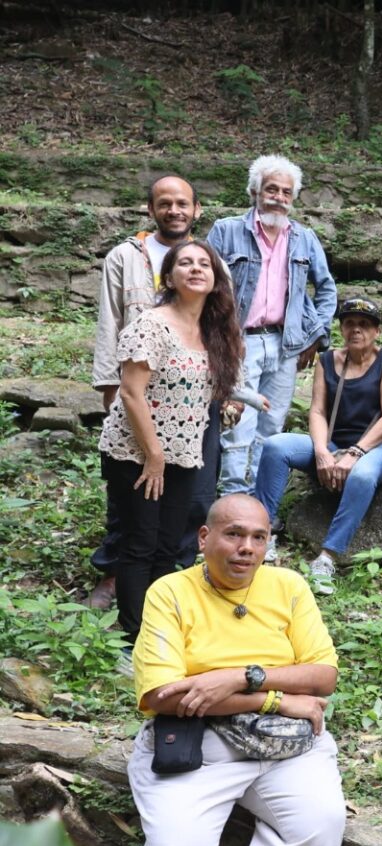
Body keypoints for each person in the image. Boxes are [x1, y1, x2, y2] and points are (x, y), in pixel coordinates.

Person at [129, 494, 344, 846]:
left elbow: (323, 677)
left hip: (286, 746)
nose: (247, 547)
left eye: (259, 537)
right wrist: (276, 700)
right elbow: (163, 696)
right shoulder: (171, 592)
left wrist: (241, 677)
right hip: (199, 746)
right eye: (234, 534)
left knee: (320, 825)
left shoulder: (289, 586)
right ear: (204, 538)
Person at [98, 240, 244, 664]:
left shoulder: (214, 331)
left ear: (215, 278)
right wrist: (154, 455)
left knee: (168, 546)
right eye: (185, 263)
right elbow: (131, 392)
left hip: (182, 455)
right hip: (136, 454)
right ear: (170, 276)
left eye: (204, 264)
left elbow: (204, 390)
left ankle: (158, 632)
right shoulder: (152, 324)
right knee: (140, 544)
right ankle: (132, 642)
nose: (195, 269)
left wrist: (243, 400)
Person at [90, 175, 214, 611]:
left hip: (184, 435)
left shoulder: (210, 322)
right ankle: (129, 619)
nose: (174, 210)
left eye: (183, 203)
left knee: (170, 533)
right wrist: (112, 389)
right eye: (165, 203)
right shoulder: (130, 268)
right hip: (140, 426)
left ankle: (161, 619)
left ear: (197, 209)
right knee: (138, 534)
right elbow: (110, 327)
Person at [253, 297, 382, 595]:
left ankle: (328, 557)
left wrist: (355, 453)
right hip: (333, 441)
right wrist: (322, 452)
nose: (356, 329)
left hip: (379, 446)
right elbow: (318, 410)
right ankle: (262, 531)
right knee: (275, 446)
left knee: (362, 475)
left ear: (376, 331)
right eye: (350, 323)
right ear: (341, 329)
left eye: (364, 324)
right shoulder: (327, 360)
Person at [209, 155, 338, 495]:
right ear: (254, 191)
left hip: (285, 344)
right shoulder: (226, 230)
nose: (279, 197)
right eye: (271, 189)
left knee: (271, 428)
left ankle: (259, 506)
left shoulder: (304, 238)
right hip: (239, 342)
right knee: (238, 425)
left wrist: (316, 335)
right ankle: (233, 500)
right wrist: (217, 338)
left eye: (286, 192)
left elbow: (327, 289)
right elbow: (206, 287)